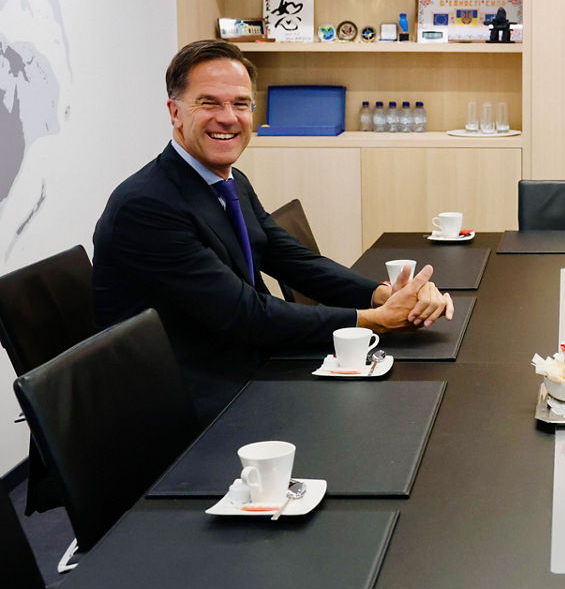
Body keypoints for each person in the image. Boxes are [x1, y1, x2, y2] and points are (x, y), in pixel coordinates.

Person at [94, 40, 453, 422]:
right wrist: (373, 320)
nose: (228, 117)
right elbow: (246, 315)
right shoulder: (147, 206)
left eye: (241, 104)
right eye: (209, 103)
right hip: (186, 401)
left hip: (246, 362)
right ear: (175, 112)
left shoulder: (230, 181)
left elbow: (296, 262)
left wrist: (383, 295)